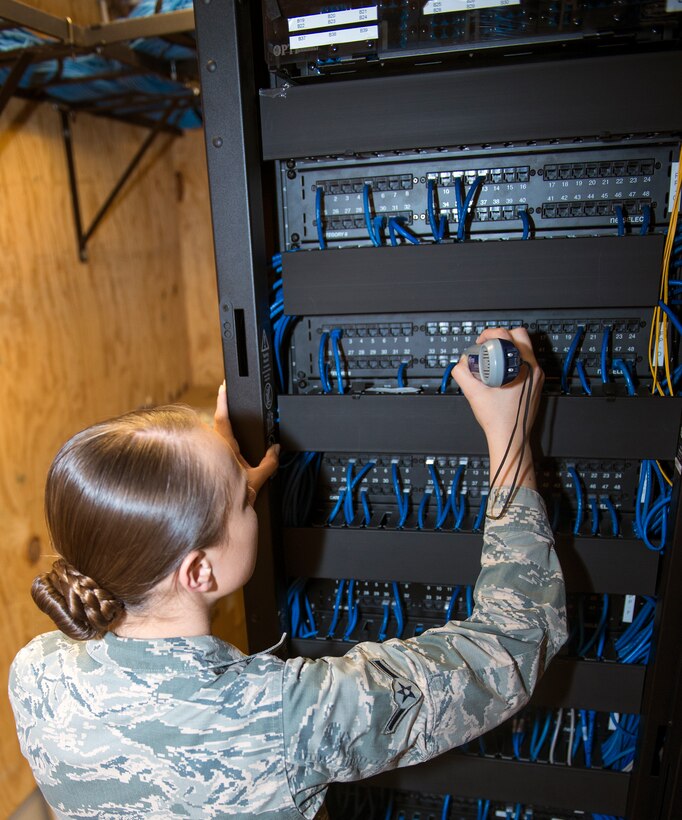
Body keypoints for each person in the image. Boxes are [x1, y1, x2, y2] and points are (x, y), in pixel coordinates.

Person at [9, 327, 567, 820]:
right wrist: (510, 436)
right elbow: (513, 641)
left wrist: (216, 494)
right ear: (198, 571)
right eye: (244, 500)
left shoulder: (35, 673)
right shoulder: (287, 719)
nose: (252, 490)